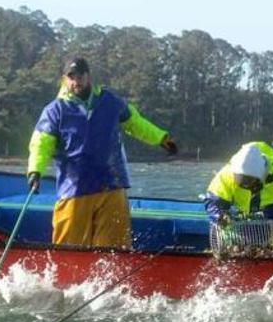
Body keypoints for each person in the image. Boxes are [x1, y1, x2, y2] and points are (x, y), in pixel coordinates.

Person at [27, 56, 178, 248]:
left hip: (111, 184)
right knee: (68, 249)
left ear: (88, 76)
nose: (76, 81)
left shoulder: (110, 101)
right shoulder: (54, 111)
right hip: (75, 188)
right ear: (64, 80)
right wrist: (35, 171)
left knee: (115, 250)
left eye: (80, 75)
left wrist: (161, 139)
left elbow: (136, 123)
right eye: (71, 76)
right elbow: (41, 143)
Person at [204, 142, 273, 256]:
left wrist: (268, 217)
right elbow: (213, 201)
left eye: (250, 183)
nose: (246, 186)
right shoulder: (226, 174)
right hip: (239, 219)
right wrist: (220, 216)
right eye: (242, 182)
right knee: (230, 249)